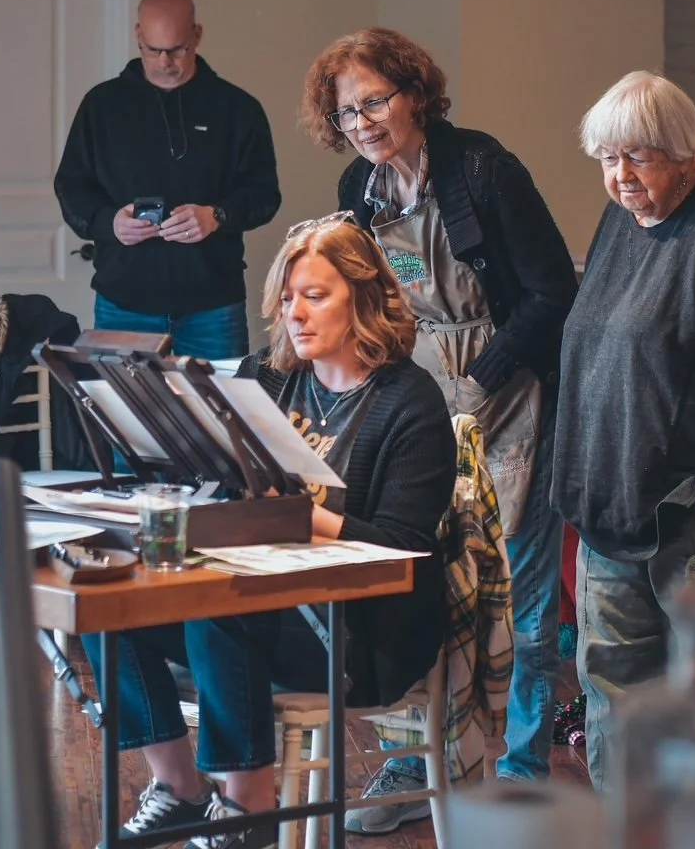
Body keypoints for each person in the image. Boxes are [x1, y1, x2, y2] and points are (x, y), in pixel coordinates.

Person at [80, 217, 454, 849]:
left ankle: (246, 806)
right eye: (288, 298)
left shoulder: (408, 401)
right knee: (105, 601)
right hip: (273, 603)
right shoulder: (272, 379)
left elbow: (403, 548)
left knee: (217, 605)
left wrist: (297, 513)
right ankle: (178, 787)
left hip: (365, 629)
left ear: (363, 297)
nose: (297, 314)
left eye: (316, 295)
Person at [301, 27, 577, 813]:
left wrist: (481, 382)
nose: (363, 123)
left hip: (509, 389)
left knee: (518, 596)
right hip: (415, 394)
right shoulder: (361, 186)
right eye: (347, 113)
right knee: (409, 582)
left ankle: (518, 773)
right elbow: (369, 298)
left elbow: (552, 293)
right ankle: (416, 767)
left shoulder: (485, 169)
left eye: (375, 102)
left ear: (416, 93)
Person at [554, 71, 695, 793]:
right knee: (615, 700)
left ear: (685, 154)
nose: (620, 178)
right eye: (606, 160)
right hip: (610, 505)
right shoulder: (625, 216)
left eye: (638, 158)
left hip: (693, 518)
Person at [54, 0, 280, 357]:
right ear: (138, 36)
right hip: (123, 302)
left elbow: (265, 194)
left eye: (177, 49)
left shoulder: (238, 108)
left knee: (217, 414)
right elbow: (71, 186)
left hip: (213, 305)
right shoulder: (102, 106)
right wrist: (108, 222)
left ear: (197, 36)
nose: (165, 62)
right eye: (153, 50)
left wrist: (216, 216)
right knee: (123, 415)